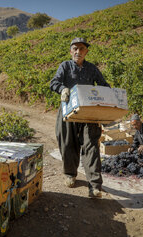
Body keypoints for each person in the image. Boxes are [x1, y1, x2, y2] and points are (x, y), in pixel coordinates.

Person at [50, 37, 110, 198]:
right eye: (75, 48)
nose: (78, 51)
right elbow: (54, 82)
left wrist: (107, 96)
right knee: (67, 143)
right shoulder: (65, 66)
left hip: (88, 113)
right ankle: (70, 174)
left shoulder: (92, 68)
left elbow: (103, 84)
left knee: (91, 146)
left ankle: (95, 186)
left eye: (82, 49)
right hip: (68, 111)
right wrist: (62, 89)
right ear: (71, 51)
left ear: (86, 51)